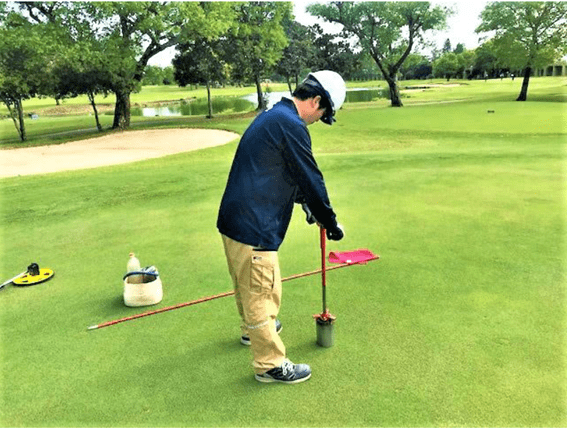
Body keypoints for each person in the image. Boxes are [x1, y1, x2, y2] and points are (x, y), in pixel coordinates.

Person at [217, 70, 346, 384]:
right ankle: (270, 365)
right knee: (264, 292)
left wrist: (306, 206)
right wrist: (330, 222)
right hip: (255, 225)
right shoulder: (292, 125)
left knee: (247, 286)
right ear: (316, 101)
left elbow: (285, 173)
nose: (320, 120)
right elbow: (311, 178)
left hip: (234, 219)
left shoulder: (275, 115)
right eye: (324, 114)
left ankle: (252, 331)